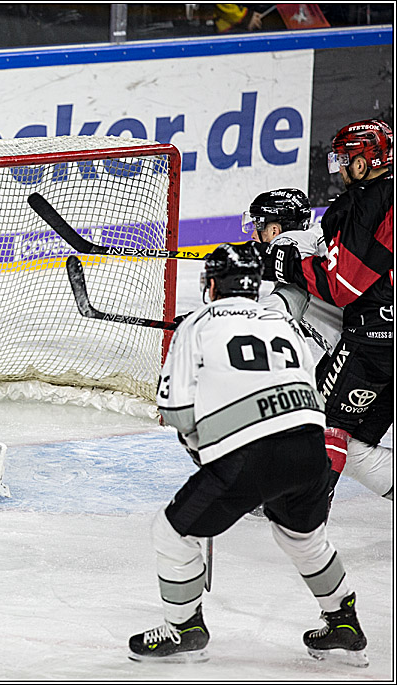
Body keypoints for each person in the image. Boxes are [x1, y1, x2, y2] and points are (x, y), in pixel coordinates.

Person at [129, 243, 368, 666]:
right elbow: (306, 389)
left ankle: (184, 627)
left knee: (172, 533)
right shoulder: (283, 323)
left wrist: (202, 447)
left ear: (212, 286)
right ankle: (343, 621)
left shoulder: (196, 324)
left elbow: (176, 410)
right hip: (311, 451)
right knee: (303, 538)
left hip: (248, 455)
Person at [258, 119, 393, 503]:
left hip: (376, 339)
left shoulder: (367, 203)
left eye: (344, 160)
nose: (340, 169)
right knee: (356, 445)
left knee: (319, 421)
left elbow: (341, 286)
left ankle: (302, 512)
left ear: (362, 163)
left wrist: (290, 266)